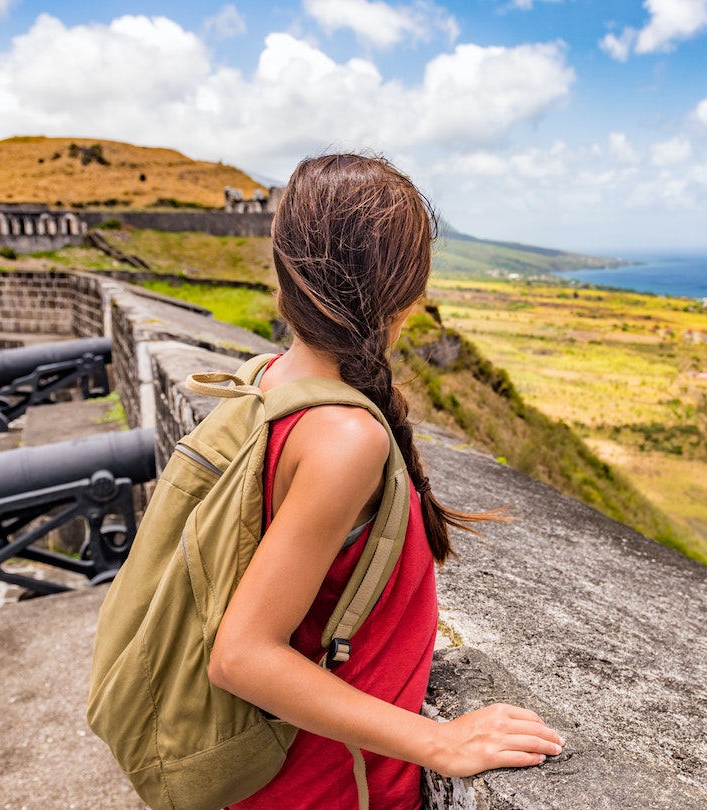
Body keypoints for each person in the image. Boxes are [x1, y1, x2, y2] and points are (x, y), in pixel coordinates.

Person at [207, 153, 564, 809]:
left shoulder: (269, 381)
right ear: (405, 297)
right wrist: (440, 744)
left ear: (281, 271)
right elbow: (241, 655)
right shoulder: (344, 438)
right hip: (333, 792)